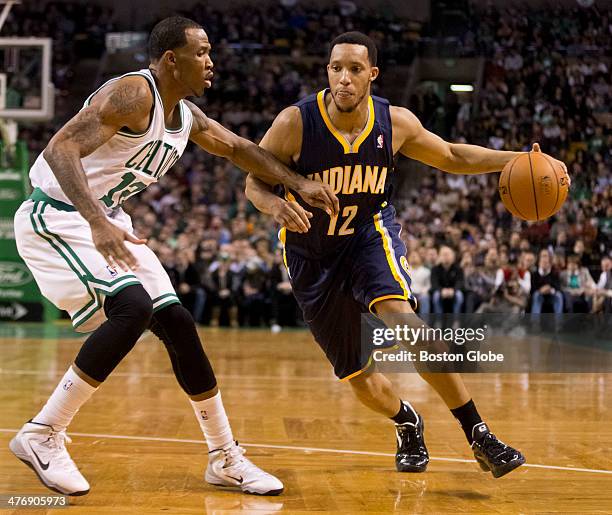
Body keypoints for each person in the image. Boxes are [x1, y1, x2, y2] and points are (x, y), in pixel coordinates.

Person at [10, 16, 339, 497]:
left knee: (178, 323)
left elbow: (239, 149)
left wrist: (298, 183)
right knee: (133, 308)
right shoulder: (133, 94)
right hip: (57, 213)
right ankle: (43, 433)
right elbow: (60, 149)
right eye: (202, 53)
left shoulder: (185, 115)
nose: (211, 62)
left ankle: (224, 456)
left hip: (105, 216)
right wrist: (98, 221)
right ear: (170, 60)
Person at [246, 31, 567, 478]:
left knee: (408, 322)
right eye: (336, 68)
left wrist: (521, 160)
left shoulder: (394, 123)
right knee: (359, 378)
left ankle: (478, 432)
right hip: (311, 256)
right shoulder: (294, 123)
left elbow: (452, 155)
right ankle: (407, 422)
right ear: (327, 72)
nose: (343, 78)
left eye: (355, 69)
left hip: (366, 237)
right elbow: (253, 181)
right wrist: (275, 203)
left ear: (372, 75)